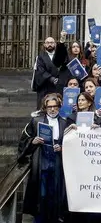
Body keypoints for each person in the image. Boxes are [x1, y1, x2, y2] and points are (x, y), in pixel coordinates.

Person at [18, 93, 69, 222]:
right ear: (45, 108)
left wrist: (62, 148)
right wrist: (33, 141)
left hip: (58, 162)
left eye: (55, 106)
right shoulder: (36, 121)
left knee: (55, 194)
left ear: (59, 106)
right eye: (49, 107)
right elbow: (24, 140)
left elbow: (72, 143)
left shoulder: (65, 122)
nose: (52, 109)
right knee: (41, 195)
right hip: (41, 161)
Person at [33, 36, 64, 109]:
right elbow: (40, 70)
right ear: (44, 45)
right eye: (47, 43)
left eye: (51, 43)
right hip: (45, 86)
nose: (49, 44)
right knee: (43, 108)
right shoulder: (40, 56)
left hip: (57, 87)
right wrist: (51, 78)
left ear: (55, 44)